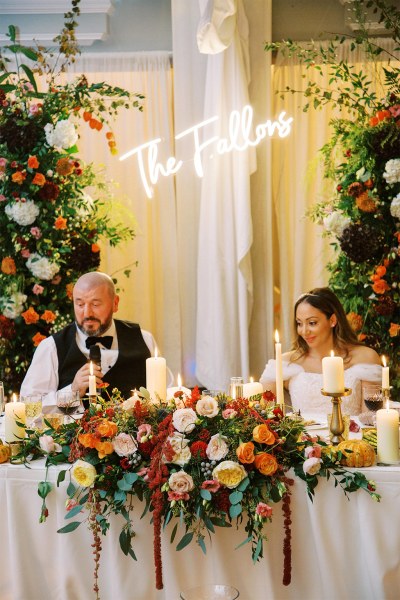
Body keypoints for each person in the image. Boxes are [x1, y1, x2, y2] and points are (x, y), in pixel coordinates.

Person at [20, 271, 167, 406]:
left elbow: (167, 394)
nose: (87, 313)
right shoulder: (51, 347)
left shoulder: (144, 339)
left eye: (95, 304)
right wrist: (72, 390)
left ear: (115, 303)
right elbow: (29, 407)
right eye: (80, 304)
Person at [260, 287, 382, 417]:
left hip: (351, 436)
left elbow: (371, 419)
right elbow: (264, 415)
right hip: (303, 437)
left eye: (312, 323)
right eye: (299, 323)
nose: (304, 331)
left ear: (332, 320)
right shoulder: (284, 363)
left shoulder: (365, 358)